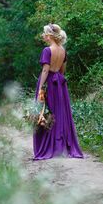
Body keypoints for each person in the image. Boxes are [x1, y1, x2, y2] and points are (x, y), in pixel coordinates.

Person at [33, 23, 84, 160]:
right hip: (59, 84)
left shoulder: (47, 50)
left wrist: (40, 88)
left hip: (49, 82)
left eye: (44, 33)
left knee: (45, 112)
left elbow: (45, 70)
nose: (43, 36)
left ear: (49, 35)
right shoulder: (63, 51)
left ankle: (48, 147)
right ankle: (60, 146)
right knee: (59, 113)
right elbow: (62, 71)